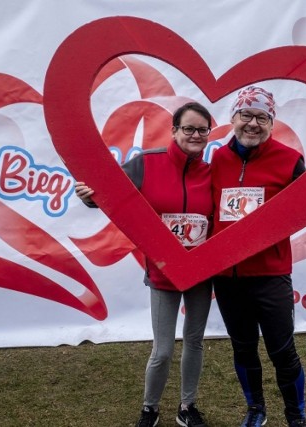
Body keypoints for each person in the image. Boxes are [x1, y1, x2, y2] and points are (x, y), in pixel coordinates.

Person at [210, 86, 306, 427]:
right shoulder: (217, 159)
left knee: (282, 352)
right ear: (233, 118)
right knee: (244, 349)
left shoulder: (288, 159)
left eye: (262, 117)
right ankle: (256, 410)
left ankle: (296, 416)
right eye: (246, 115)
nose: (253, 124)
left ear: (271, 122)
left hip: (270, 276)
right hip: (228, 278)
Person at [76, 102, 214, 427]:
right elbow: (110, 192)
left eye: (202, 130)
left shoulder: (211, 171)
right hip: (164, 273)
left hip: (202, 272)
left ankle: (187, 407)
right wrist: (88, 196)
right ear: (175, 131)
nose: (195, 135)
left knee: (194, 341)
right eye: (189, 128)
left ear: (209, 134)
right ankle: (150, 408)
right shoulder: (147, 163)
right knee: (163, 350)